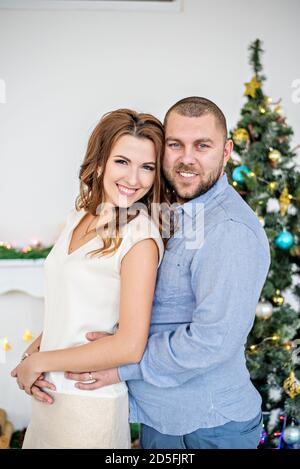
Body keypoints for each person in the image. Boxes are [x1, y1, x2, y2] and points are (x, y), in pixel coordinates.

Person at [47, 97, 271, 449]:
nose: (187, 158)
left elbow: (211, 341)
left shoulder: (228, 230)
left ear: (226, 151)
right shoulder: (164, 212)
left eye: (203, 146)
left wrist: (121, 366)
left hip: (206, 425)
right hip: (159, 418)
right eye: (175, 144)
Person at [11, 109, 169, 449]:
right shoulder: (79, 216)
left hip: (88, 404)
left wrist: (41, 361)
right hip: (50, 394)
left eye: (147, 167)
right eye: (122, 162)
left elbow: (130, 344)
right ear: (99, 164)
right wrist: (34, 352)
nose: (134, 178)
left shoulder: (139, 238)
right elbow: (77, 305)